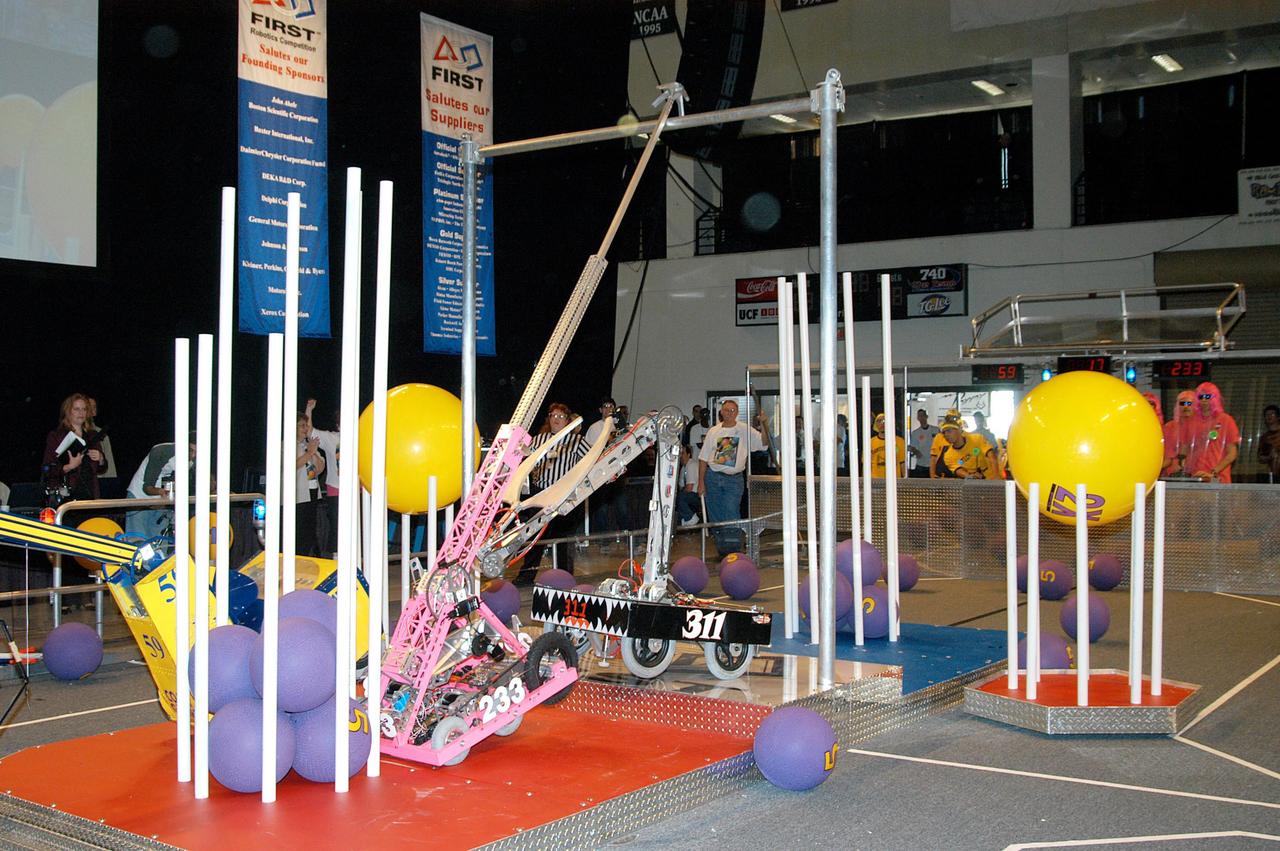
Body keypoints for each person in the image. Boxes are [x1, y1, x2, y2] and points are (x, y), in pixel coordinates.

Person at [516, 403, 589, 583]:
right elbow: (526, 458)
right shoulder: (540, 439)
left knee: (562, 539)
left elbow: (592, 458)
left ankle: (564, 577)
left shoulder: (576, 441)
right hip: (540, 493)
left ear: (567, 420)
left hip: (563, 494)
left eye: (561, 416)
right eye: (553, 415)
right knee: (534, 537)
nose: (556, 419)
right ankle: (526, 576)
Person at [697, 399, 764, 558]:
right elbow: (703, 458)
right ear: (721, 412)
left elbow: (764, 443)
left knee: (731, 512)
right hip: (713, 477)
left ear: (737, 413)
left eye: (732, 410)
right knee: (715, 514)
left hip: (733, 479)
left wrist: (765, 426)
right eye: (726, 410)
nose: (729, 413)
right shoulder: (713, 431)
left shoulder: (745, 430)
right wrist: (701, 482)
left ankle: (734, 550)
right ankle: (722, 550)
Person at [42, 393, 107, 506]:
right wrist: (69, 467)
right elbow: (47, 469)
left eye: (84, 409)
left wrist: (101, 459)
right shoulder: (56, 436)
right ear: (68, 412)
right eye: (76, 409)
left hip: (90, 494)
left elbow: (101, 469)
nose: (81, 413)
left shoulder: (92, 435)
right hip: (66, 496)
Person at [125, 436, 196, 539]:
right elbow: (147, 487)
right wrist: (163, 493)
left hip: (162, 502)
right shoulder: (162, 451)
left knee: (160, 542)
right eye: (191, 450)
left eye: (197, 452)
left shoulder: (193, 461)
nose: (193, 455)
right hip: (140, 497)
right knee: (138, 540)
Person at [304, 399, 340, 557]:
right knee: (337, 526)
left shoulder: (363, 436)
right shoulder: (331, 438)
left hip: (359, 490)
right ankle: (336, 559)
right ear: (338, 425)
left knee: (358, 527)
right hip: (336, 489)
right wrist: (309, 410)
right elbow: (309, 431)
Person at [1185, 381, 1240, 483]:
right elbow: (1186, 450)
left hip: (1219, 480)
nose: (1204, 400)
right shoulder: (1191, 421)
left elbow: (1232, 453)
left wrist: (1213, 472)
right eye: (1201, 397)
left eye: (1208, 396)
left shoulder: (1226, 420)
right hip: (1195, 479)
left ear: (1214, 398)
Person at [293, 413, 325, 556]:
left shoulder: (308, 445)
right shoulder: (287, 445)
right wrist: (309, 452)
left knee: (311, 529)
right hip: (298, 495)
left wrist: (314, 453)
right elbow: (293, 465)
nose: (305, 428)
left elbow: (320, 469)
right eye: (302, 425)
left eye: (306, 425)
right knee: (300, 530)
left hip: (312, 491)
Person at [1162, 390, 1197, 478]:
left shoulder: (1200, 428)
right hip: (1171, 474)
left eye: (1189, 403)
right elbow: (1166, 455)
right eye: (1182, 403)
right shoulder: (1169, 427)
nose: (1186, 406)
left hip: (1196, 473)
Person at [868, 413, 906, 478]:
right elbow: (866, 464)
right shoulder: (870, 442)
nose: (882, 423)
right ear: (875, 424)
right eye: (879, 421)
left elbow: (902, 463)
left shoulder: (899, 441)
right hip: (875, 481)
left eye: (884, 421)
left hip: (894, 480)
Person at [930, 409, 963, 478]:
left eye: (955, 418)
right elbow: (933, 457)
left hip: (959, 474)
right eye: (949, 418)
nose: (952, 420)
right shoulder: (939, 437)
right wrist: (932, 475)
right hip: (942, 475)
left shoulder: (965, 436)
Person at [908, 409, 939, 478]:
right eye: (920, 416)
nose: (922, 418)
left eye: (923, 415)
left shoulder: (936, 430)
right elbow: (912, 447)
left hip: (935, 464)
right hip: (921, 465)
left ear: (926, 416)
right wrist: (915, 451)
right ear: (917, 418)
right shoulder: (915, 433)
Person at [676, 444, 701, 527]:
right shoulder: (684, 468)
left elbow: (689, 487)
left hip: (696, 495)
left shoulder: (691, 465)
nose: (680, 456)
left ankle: (690, 518)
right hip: (690, 494)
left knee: (680, 497)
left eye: (682, 453)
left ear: (688, 454)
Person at [1257, 404, 1280, 482]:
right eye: (1267, 415)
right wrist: (1269, 457)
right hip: (1273, 474)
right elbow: (1260, 457)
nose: (1269, 416)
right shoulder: (1264, 437)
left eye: (1272, 414)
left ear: (1278, 417)